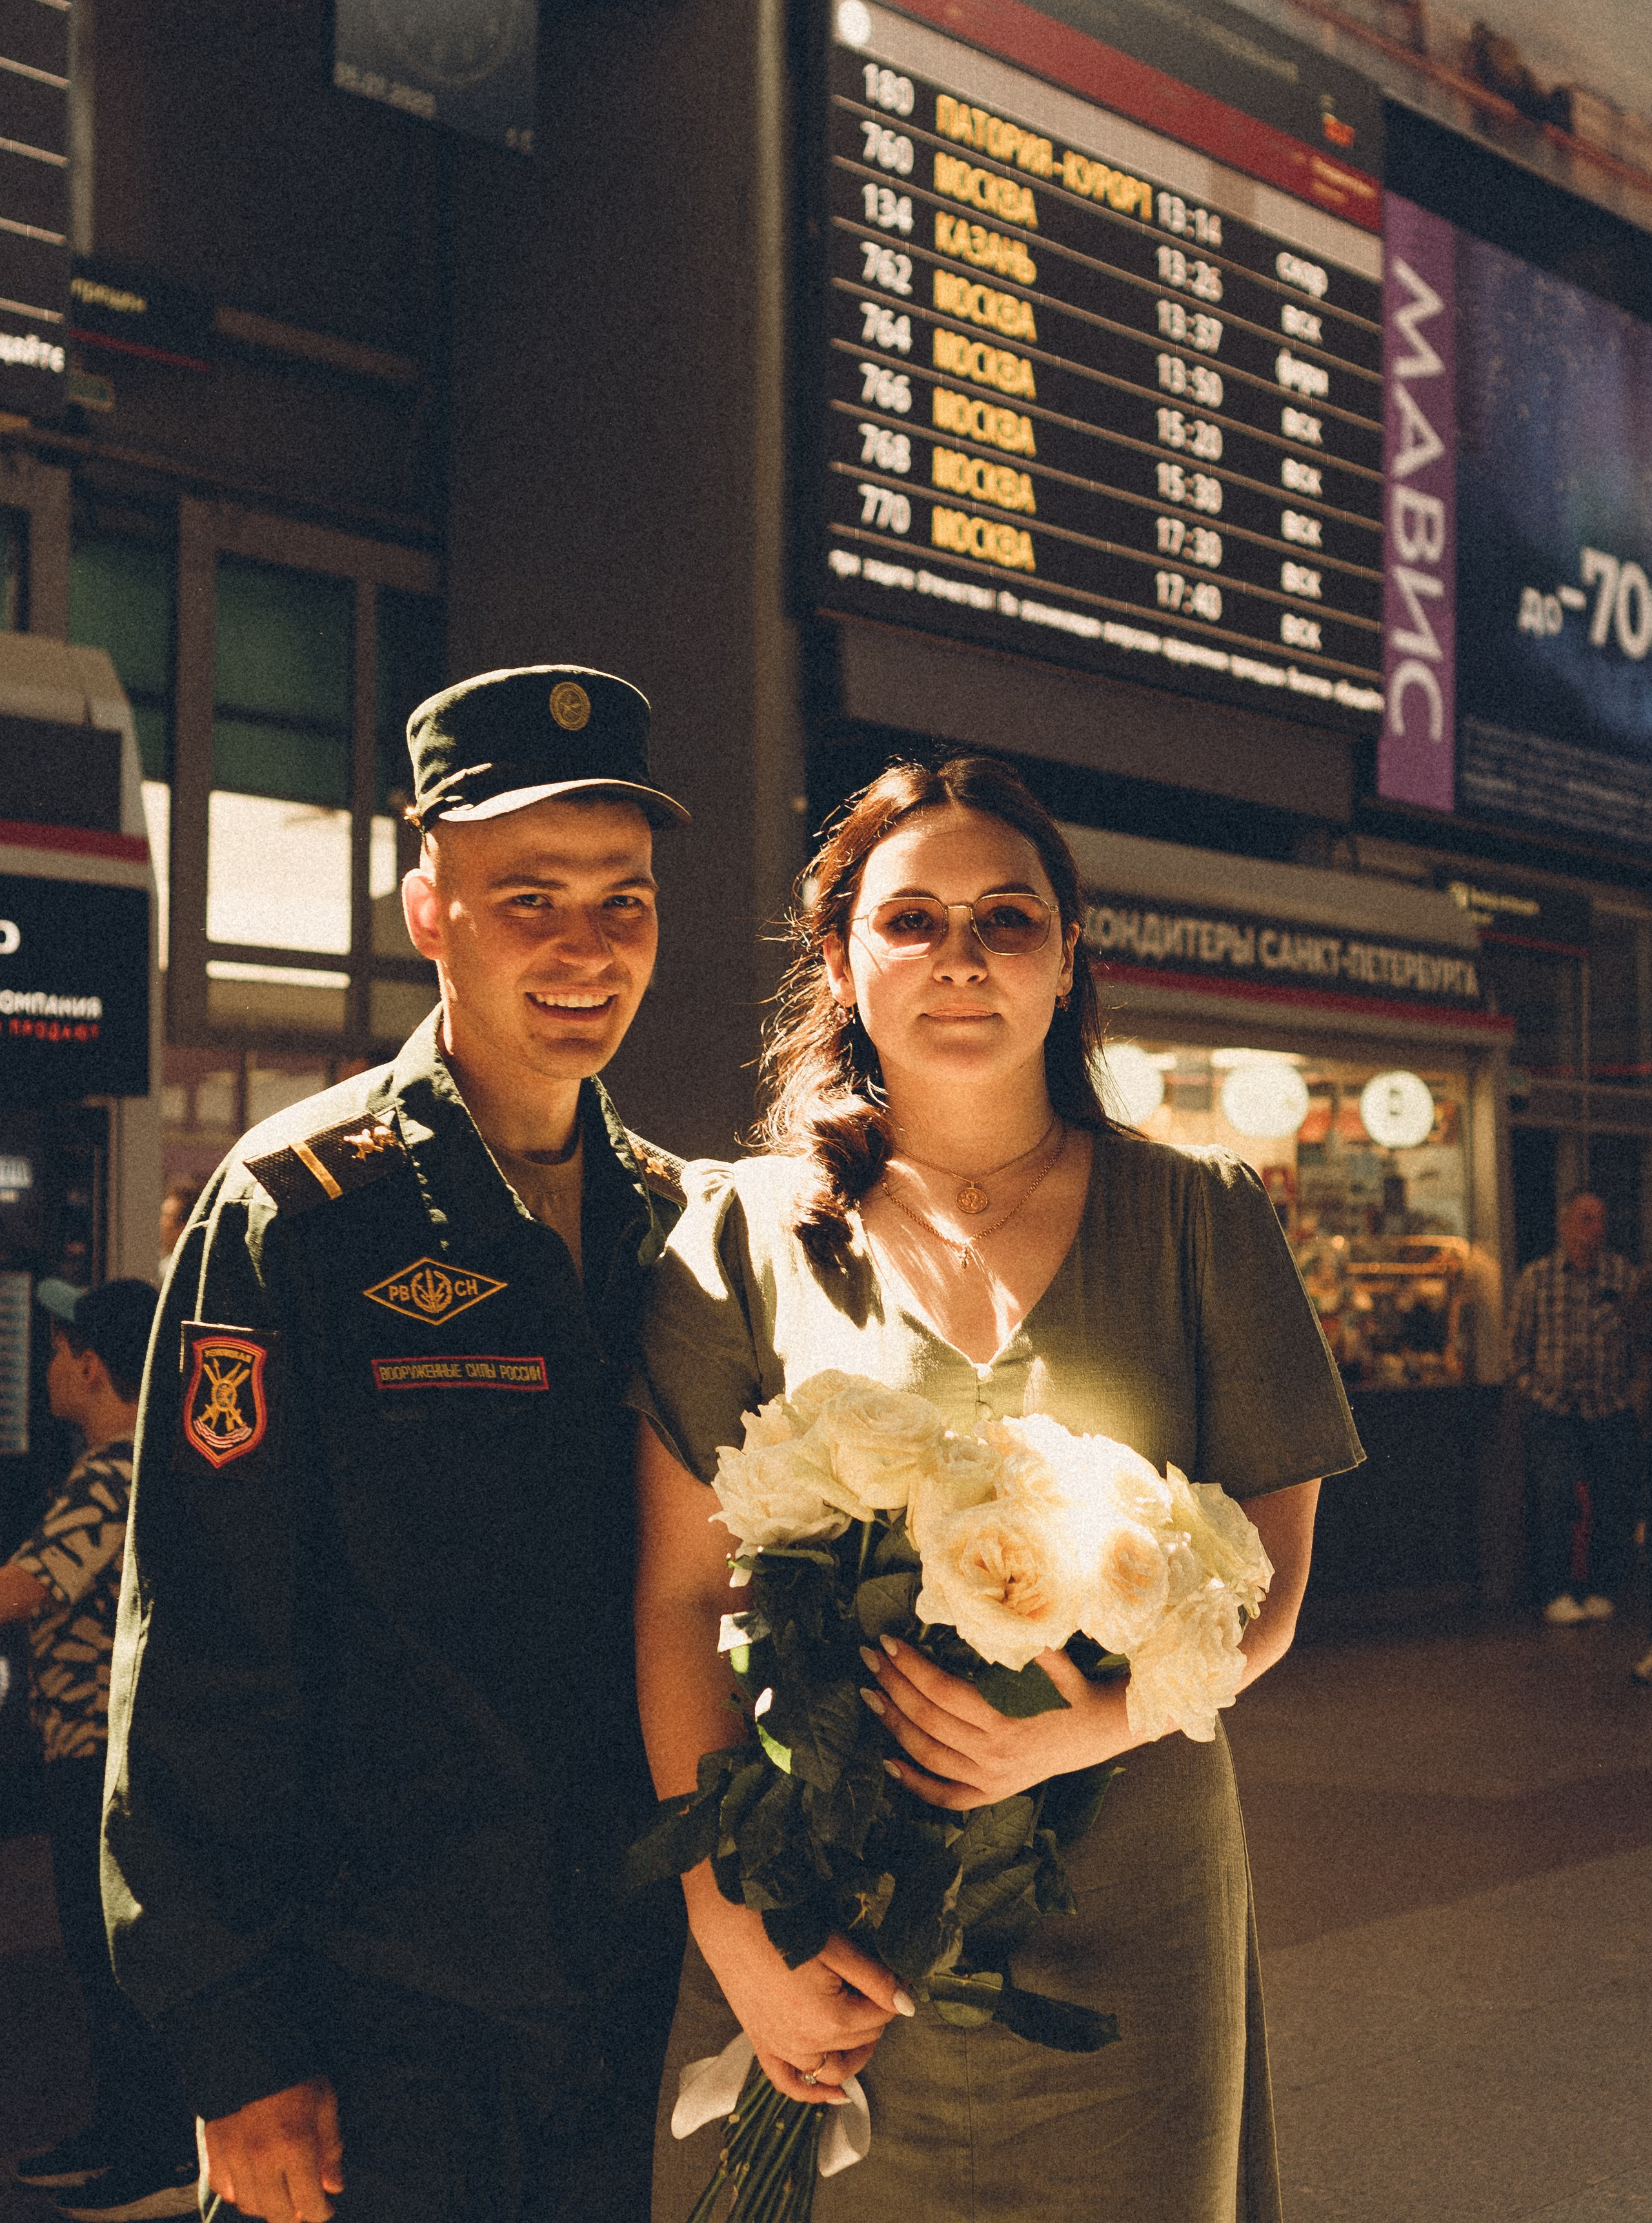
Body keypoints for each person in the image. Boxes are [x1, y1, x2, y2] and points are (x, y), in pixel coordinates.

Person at [630, 755, 1364, 2223]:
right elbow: (677, 1597)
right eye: (910, 920)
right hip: (821, 1910)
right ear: (841, 960)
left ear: (1066, 958)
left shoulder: (1201, 1217)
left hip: (1133, 1904)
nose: (958, 956)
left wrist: (1084, 1727)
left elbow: (1273, 1585)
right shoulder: (740, 1236)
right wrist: (733, 1933)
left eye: (1005, 918)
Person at [103, 667, 692, 2223]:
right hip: (381, 2029)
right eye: (529, 899)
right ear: (429, 908)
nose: (584, 947)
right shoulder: (298, 1212)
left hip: (630, 2003)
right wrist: (235, 2045)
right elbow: (205, 1644)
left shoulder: (688, 1227)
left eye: (622, 901)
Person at [0, 1276, 199, 2222]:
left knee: (113, 1959)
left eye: (56, 1351)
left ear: (90, 1367)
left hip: (102, 1758)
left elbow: (28, 1586)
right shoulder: (130, 1464)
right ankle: (121, 2135)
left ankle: (156, 2155)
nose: (46, 1368)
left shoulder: (114, 1472)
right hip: (96, 1754)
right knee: (99, 1955)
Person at [1509, 1189, 1641, 1625]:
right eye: (1586, 1219)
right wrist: (1534, 1390)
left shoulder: (1621, 1276)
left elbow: (1639, 1337)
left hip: (1609, 1406)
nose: (1595, 1229)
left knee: (1611, 1499)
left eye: (1600, 1219)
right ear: (1565, 1224)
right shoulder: (1538, 1279)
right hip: (1555, 1407)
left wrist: (1632, 1391)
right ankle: (1557, 1591)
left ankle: (1602, 1587)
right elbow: (1518, 1347)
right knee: (1556, 1497)